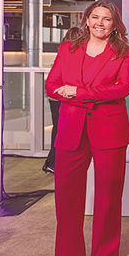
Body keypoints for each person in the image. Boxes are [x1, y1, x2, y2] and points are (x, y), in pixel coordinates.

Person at [45, 0, 129, 256]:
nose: (99, 23)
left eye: (106, 19)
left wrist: (77, 92)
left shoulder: (123, 52)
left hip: (108, 129)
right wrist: (84, 93)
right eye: (95, 17)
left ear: (114, 24)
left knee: (108, 196)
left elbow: (122, 88)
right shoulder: (67, 49)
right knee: (66, 197)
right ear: (86, 20)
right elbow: (51, 86)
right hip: (71, 129)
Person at [43, 26, 83, 174]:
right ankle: (54, 162)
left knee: (58, 128)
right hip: (63, 95)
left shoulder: (63, 51)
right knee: (62, 130)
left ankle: (51, 162)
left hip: (56, 95)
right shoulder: (73, 54)